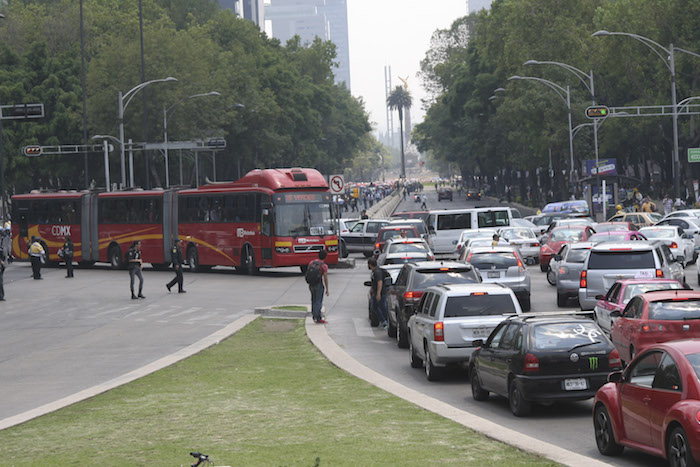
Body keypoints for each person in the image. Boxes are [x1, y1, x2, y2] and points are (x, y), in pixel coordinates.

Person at [307, 250, 329, 323]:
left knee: (313, 299)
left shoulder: (311, 262)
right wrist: (327, 289)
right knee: (318, 301)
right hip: (318, 284)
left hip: (311, 284)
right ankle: (318, 317)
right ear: (325, 257)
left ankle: (314, 315)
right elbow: (325, 278)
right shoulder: (324, 266)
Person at [368, 257, 388, 329]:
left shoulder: (377, 272)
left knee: (382, 307)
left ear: (370, 265)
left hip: (381, 293)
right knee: (374, 307)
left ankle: (386, 321)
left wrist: (378, 293)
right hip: (375, 292)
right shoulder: (374, 271)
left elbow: (380, 282)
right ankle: (383, 321)